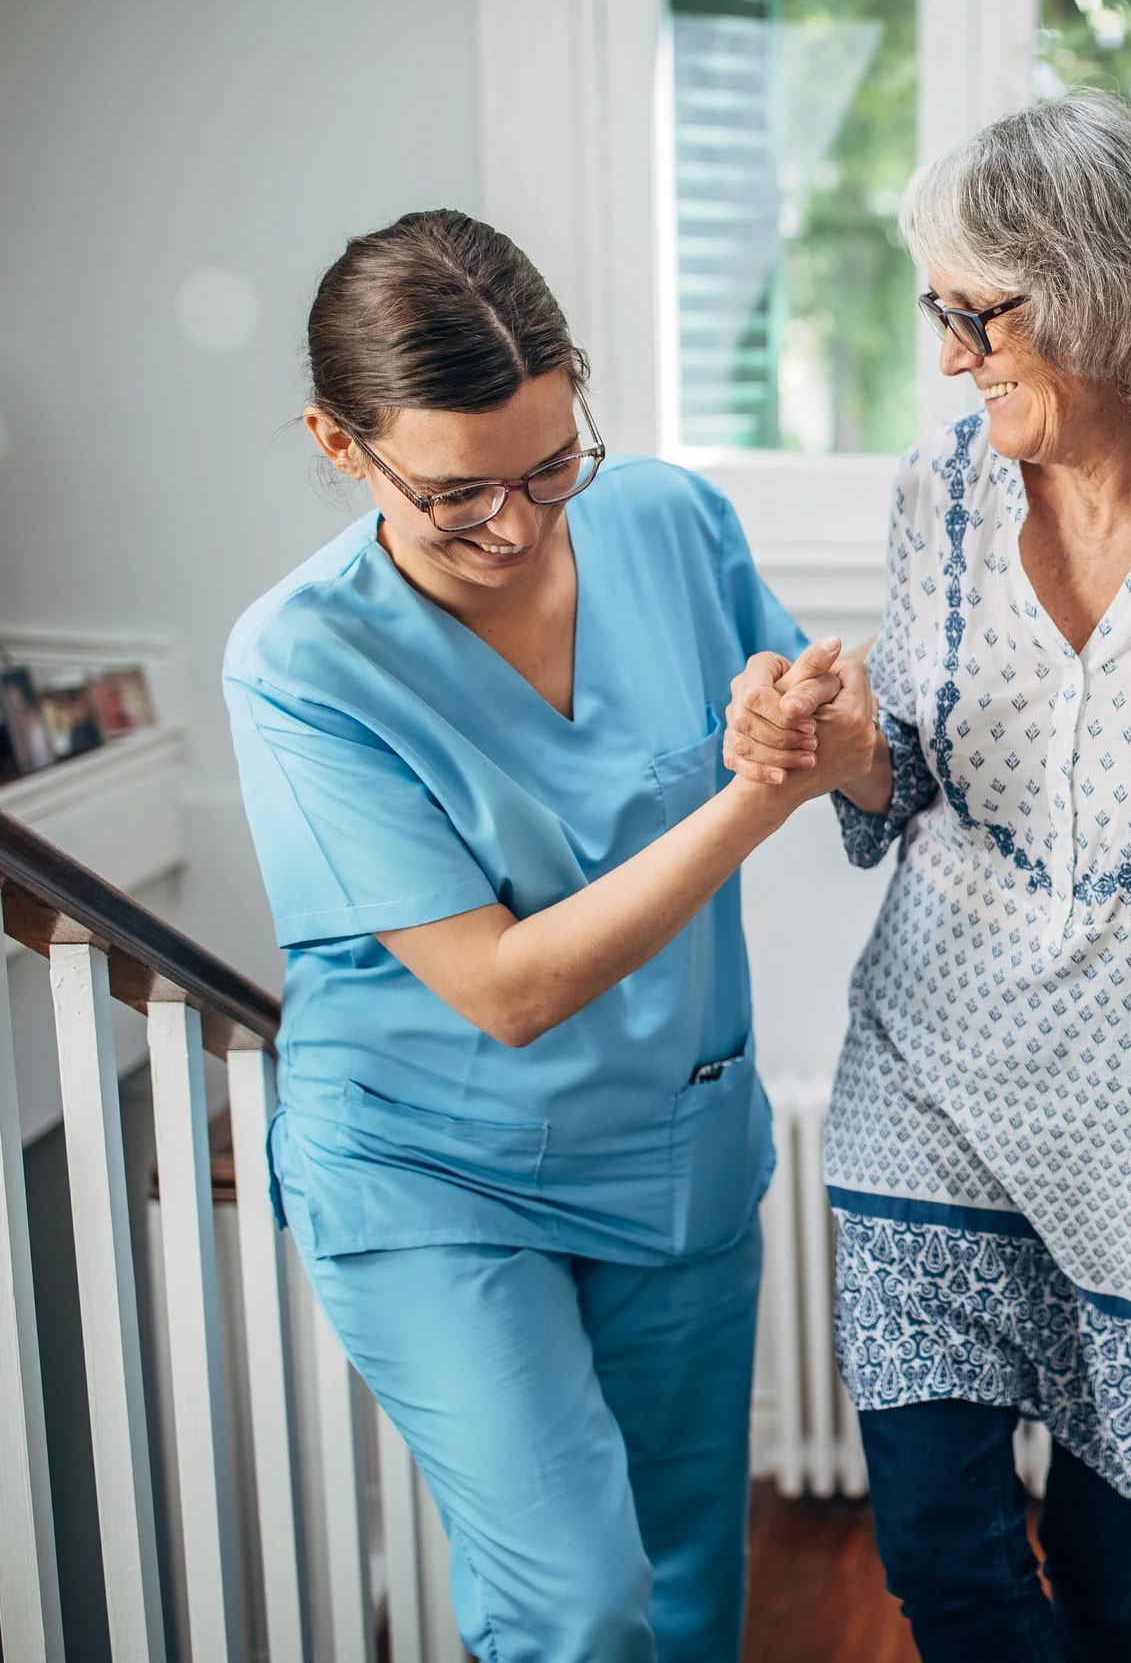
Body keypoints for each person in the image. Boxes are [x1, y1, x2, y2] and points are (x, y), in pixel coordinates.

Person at [723, 90, 1131, 1663]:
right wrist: (843, 748)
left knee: (1121, 1578)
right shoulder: (935, 491)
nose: (952, 352)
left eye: (980, 310)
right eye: (938, 309)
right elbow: (909, 787)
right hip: (931, 1070)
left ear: (1111, 286)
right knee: (943, 1553)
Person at [225, 210, 847, 1662]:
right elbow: (508, 987)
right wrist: (759, 792)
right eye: (454, 494)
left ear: (574, 386)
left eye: (550, 463)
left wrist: (811, 714)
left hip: (672, 1140)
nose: (513, 524)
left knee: (690, 1571)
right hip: (432, 1170)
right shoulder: (303, 658)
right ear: (338, 443)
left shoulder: (669, 520)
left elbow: (817, 722)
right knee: (575, 1597)